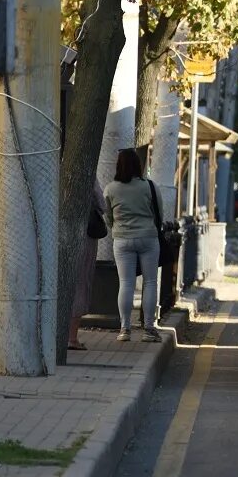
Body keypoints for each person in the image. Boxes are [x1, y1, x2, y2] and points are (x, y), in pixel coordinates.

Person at [104, 149, 162, 342]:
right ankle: (149, 329)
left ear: (118, 165)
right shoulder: (150, 187)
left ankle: (124, 329)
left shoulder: (111, 189)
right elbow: (159, 213)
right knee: (150, 282)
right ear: (139, 165)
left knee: (126, 283)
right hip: (148, 237)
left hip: (121, 239)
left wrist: (118, 228)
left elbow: (108, 218)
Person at [67, 177, 104, 351]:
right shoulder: (85, 172)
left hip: (57, 234)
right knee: (80, 284)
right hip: (84, 236)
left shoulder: (50, 170)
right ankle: (72, 337)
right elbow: (101, 204)